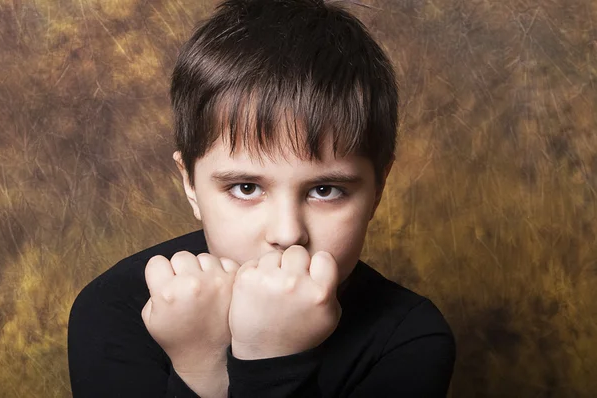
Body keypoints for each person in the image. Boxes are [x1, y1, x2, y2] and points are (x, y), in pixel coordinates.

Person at [67, 0, 456, 397]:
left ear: (378, 191)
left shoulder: (410, 338)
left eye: (325, 190)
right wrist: (200, 363)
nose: (287, 234)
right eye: (246, 188)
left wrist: (269, 360)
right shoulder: (114, 310)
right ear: (190, 184)